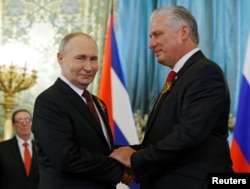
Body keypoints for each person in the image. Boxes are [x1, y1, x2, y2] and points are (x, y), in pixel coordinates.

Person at [109, 5, 234, 189]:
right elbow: (163, 137)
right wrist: (121, 153)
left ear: (183, 32)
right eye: (151, 37)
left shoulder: (205, 72)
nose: (151, 44)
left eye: (157, 34)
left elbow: (188, 135)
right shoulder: (183, 75)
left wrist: (136, 159)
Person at [31, 32, 131, 189]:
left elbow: (100, 149)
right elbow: (66, 157)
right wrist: (121, 170)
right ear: (60, 59)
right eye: (80, 58)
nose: (89, 67)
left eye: (94, 59)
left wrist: (136, 155)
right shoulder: (49, 101)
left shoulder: (98, 103)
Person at [0, 109, 40, 189]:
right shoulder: (2, 148)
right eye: (20, 120)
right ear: (13, 125)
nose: (24, 123)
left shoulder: (42, 149)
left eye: (27, 119)